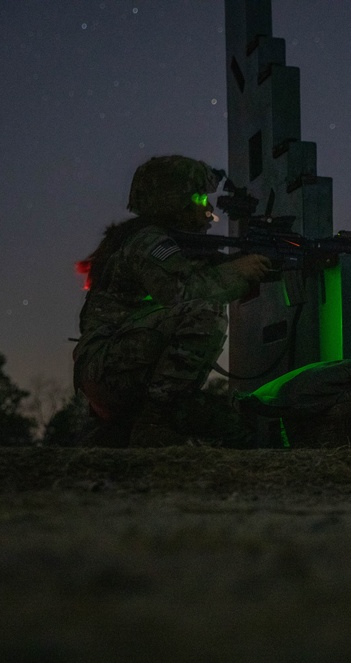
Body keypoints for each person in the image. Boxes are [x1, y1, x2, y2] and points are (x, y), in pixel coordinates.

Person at [72, 155, 271, 447]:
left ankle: (131, 426)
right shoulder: (148, 242)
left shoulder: (155, 241)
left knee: (236, 429)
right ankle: (153, 425)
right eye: (200, 197)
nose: (208, 207)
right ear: (174, 201)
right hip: (110, 370)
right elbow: (185, 295)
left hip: (122, 372)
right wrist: (237, 271)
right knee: (205, 312)